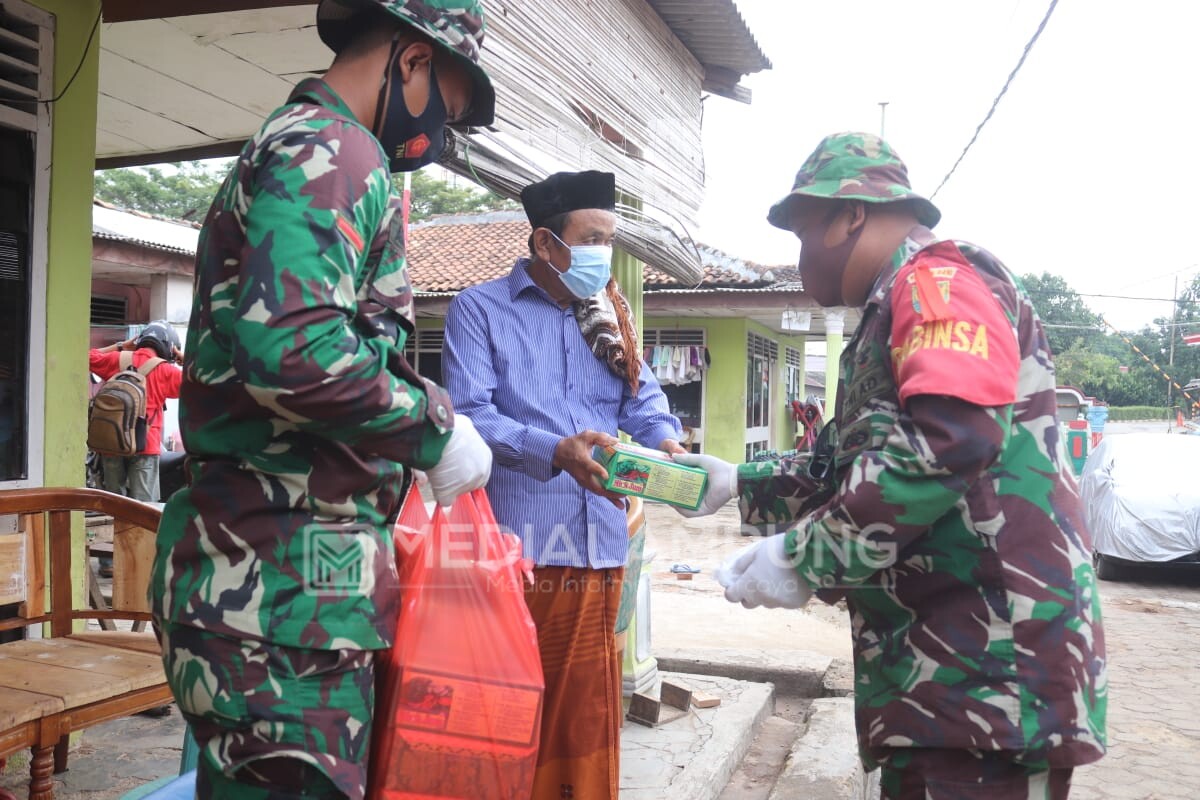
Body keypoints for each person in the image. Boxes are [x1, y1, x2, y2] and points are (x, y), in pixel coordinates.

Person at [676, 133, 1107, 799]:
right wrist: (737, 483)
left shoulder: (936, 284)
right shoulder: (890, 310)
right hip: (950, 673)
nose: (800, 257)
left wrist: (805, 558)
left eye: (803, 233)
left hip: (988, 673)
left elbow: (950, 440)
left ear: (850, 215)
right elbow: (849, 463)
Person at [148, 2, 496, 797]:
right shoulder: (335, 148)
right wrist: (433, 428)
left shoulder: (314, 145)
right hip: (276, 600)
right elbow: (294, 348)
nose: (438, 132)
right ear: (411, 60)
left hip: (284, 593)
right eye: (445, 106)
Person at [443, 170, 684, 800]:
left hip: (601, 544)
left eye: (610, 239)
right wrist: (554, 450)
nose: (605, 253)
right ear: (546, 243)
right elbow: (469, 417)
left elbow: (642, 398)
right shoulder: (479, 310)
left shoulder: (608, 313)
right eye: (592, 238)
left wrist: (668, 443)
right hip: (521, 551)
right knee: (510, 715)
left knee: (586, 719)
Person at [87, 320, 183, 577]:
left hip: (111, 444)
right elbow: (202, 381)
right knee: (144, 508)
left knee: (114, 504)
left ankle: (109, 562)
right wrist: (182, 358)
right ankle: (139, 566)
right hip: (145, 447)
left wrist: (120, 346)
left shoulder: (118, 359)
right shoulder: (165, 370)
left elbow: (87, 357)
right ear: (167, 346)